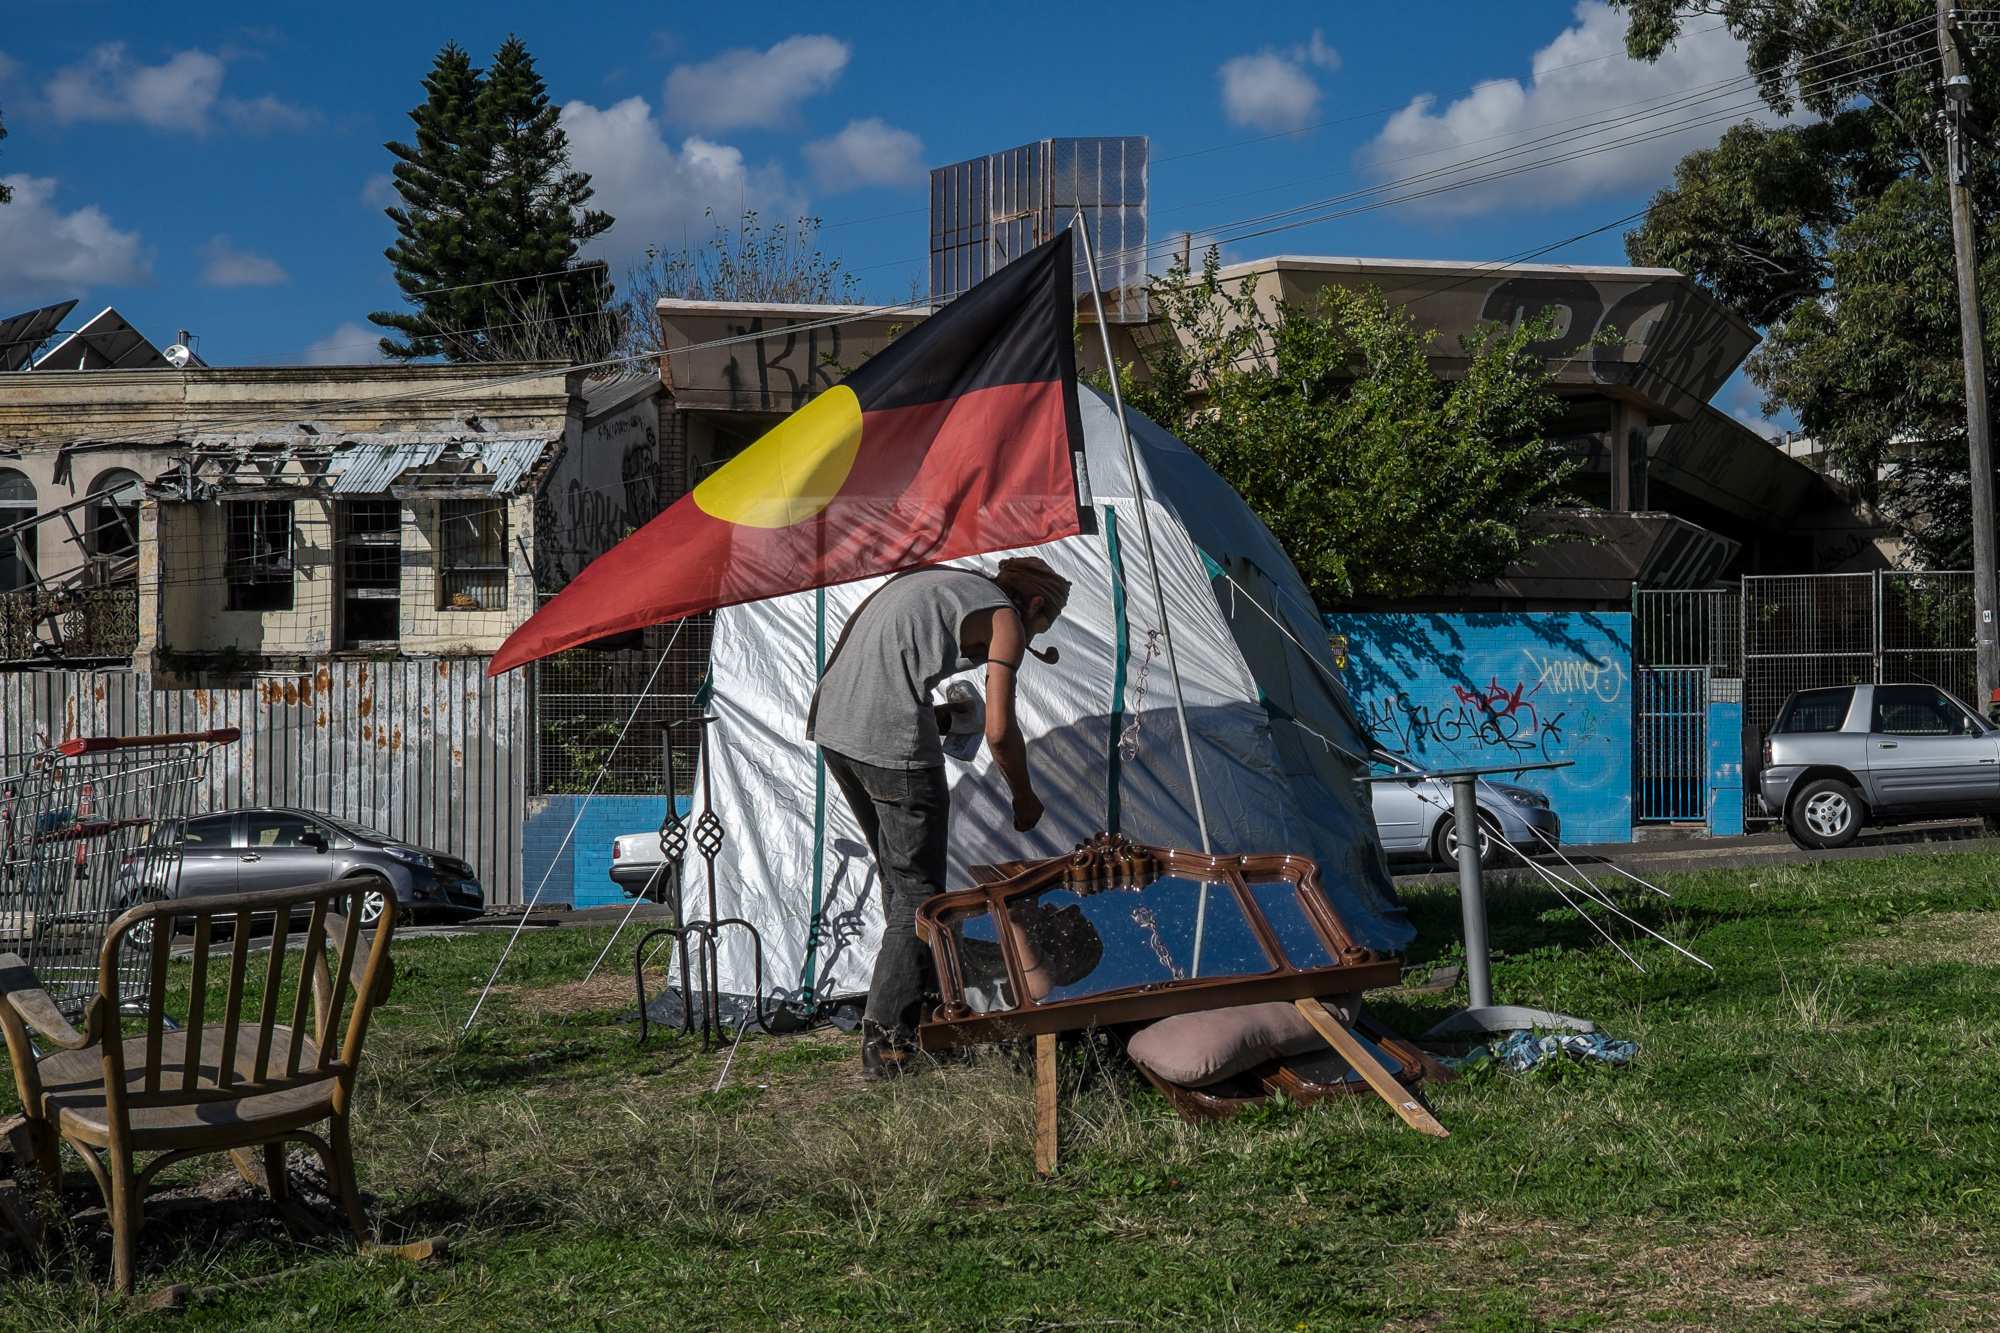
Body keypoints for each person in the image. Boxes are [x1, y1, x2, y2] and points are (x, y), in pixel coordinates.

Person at [807, 555, 1072, 1079]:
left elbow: (881, 663)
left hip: (836, 729)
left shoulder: (943, 581)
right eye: (1043, 623)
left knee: (899, 881)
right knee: (919, 897)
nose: (1034, 631)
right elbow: (999, 731)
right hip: (892, 747)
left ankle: (925, 1006)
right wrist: (1024, 797)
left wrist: (943, 717)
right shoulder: (1006, 619)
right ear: (1036, 604)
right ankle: (888, 1047)